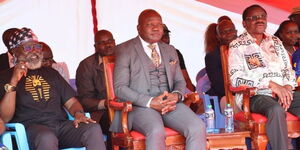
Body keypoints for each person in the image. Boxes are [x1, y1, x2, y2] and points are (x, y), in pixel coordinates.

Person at [111, 9, 206, 150]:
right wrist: (150, 102)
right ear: (139, 28)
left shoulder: (170, 50)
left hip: (169, 104)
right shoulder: (125, 50)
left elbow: (180, 81)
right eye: (150, 24)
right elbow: (120, 88)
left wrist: (176, 95)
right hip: (140, 106)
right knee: (156, 130)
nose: (156, 28)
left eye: (159, 24)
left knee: (197, 127)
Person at [0, 28, 106, 150]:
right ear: (14, 51)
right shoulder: (5, 77)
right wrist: (14, 80)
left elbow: (71, 102)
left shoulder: (51, 73)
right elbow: (5, 117)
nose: (34, 51)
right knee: (47, 137)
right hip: (32, 130)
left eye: (37, 47)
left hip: (60, 126)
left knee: (92, 129)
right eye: (28, 48)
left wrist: (78, 114)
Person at [228, 4, 300, 150]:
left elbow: (287, 69)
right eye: (254, 18)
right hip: (256, 95)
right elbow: (236, 78)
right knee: (275, 109)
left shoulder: (276, 42)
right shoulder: (237, 45)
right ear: (244, 23)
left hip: (283, 93)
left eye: (262, 17)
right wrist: (271, 85)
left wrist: (286, 87)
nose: (259, 20)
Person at [76, 29, 115, 149]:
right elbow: (84, 100)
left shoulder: (124, 58)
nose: (108, 45)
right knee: (114, 121)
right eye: (102, 43)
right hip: (101, 112)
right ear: (95, 46)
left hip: (127, 106)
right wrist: (106, 103)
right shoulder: (86, 66)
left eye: (110, 41)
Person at [205, 19, 237, 111]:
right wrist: (240, 91)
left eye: (231, 30)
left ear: (236, 32)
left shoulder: (245, 50)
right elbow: (220, 87)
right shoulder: (212, 56)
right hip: (224, 95)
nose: (229, 34)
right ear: (218, 37)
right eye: (224, 32)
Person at [160, 24, 195, 92]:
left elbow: (186, 79)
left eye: (167, 36)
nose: (165, 39)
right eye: (162, 36)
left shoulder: (175, 52)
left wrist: (192, 97)